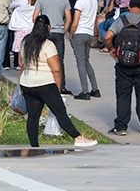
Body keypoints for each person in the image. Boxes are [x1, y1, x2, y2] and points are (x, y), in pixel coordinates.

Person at [17, 14, 97, 149]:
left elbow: (21, 63)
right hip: (45, 84)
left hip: (27, 83)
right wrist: (58, 89)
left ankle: (34, 145)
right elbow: (56, 70)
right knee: (60, 111)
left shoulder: (25, 42)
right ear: (47, 28)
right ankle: (77, 137)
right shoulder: (48, 45)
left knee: (33, 116)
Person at [105, 0, 140, 136]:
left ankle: (121, 127)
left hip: (123, 64)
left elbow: (107, 37)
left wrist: (112, 50)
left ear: (129, 6)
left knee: (123, 94)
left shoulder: (121, 20)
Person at [33, 0, 72, 91]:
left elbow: (34, 16)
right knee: (60, 59)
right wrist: (64, 30)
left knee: (43, 57)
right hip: (59, 31)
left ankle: (44, 83)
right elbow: (68, 18)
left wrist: (38, 29)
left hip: (45, 31)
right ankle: (61, 86)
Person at [68, 0, 101, 100]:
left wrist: (71, 33)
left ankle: (85, 91)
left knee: (80, 62)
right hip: (89, 33)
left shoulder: (80, 1)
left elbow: (76, 21)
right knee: (86, 61)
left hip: (80, 32)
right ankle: (95, 88)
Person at [8, 0, 38, 66]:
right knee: (30, 46)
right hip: (31, 25)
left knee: (20, 47)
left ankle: (20, 65)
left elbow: (11, 6)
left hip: (20, 26)